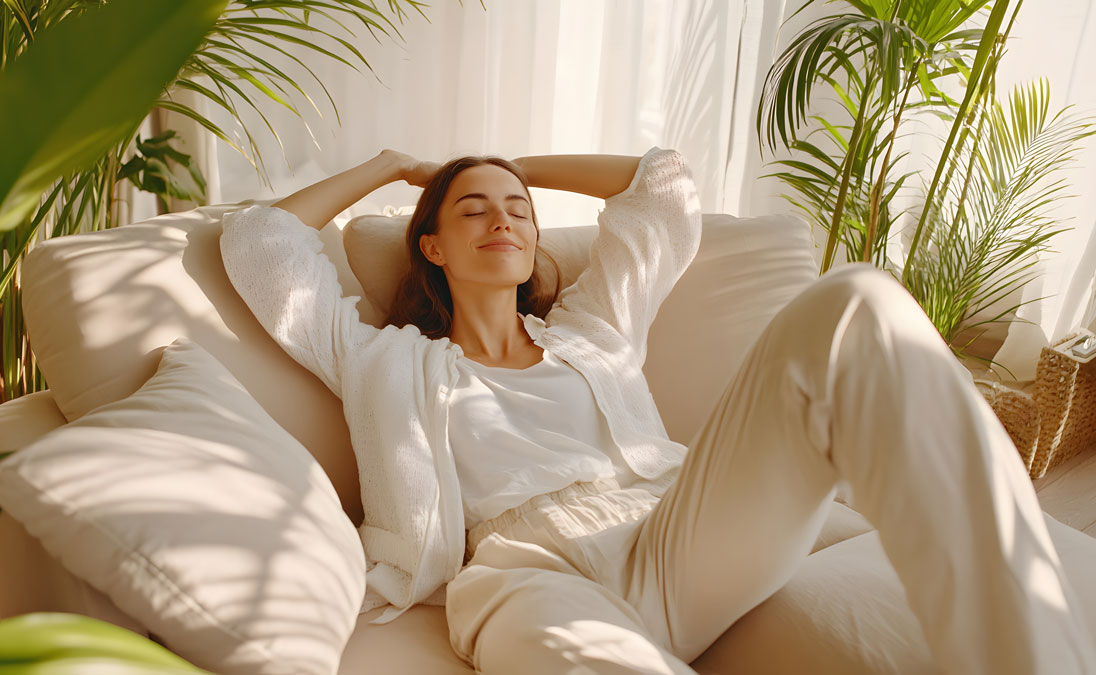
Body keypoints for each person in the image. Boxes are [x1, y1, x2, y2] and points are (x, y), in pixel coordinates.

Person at [218, 147, 1096, 674]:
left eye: (519, 208)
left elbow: (661, 184)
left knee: (858, 301)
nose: (506, 219)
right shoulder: (381, 357)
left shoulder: (593, 330)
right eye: (474, 207)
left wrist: (505, 158)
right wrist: (391, 165)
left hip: (679, 528)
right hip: (529, 569)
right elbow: (258, 242)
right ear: (432, 245)